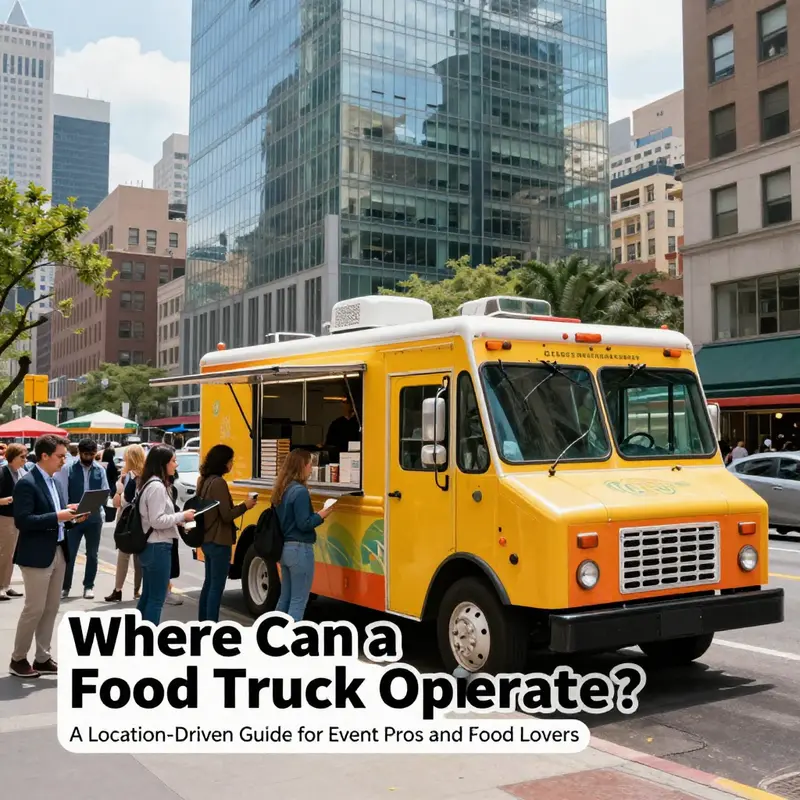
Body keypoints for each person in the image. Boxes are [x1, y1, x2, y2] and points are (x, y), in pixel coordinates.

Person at [9, 435, 88, 678]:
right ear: (44, 456)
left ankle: (42, 657)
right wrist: (58, 516)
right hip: (36, 554)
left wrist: (72, 518)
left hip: (58, 549)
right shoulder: (27, 483)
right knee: (34, 608)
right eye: (60, 456)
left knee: (52, 607)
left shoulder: (54, 482)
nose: (64, 461)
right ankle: (18, 659)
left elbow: (58, 517)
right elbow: (23, 520)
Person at [273, 449, 335, 621]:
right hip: (300, 550)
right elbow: (304, 523)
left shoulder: (282, 489)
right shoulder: (299, 491)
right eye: (310, 464)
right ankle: (291, 641)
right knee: (299, 601)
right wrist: (322, 514)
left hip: (285, 549)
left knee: (285, 597)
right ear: (302, 466)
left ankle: (273, 633)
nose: (311, 469)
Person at [196, 444, 256, 622]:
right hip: (219, 540)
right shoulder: (219, 483)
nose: (232, 464)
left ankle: (203, 623)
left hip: (206, 539)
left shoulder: (205, 481)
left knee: (209, 583)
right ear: (223, 462)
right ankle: (211, 626)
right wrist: (246, 505)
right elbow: (226, 515)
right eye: (231, 460)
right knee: (216, 587)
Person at [136, 445, 195, 625]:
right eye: (173, 461)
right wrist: (182, 515)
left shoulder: (150, 483)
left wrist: (177, 520)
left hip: (152, 546)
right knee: (156, 599)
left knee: (148, 596)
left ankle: (136, 635)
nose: (176, 465)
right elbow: (156, 520)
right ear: (162, 464)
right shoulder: (157, 486)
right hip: (158, 547)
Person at [58, 438, 110, 600]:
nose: (89, 458)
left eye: (92, 455)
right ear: (79, 453)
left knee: (92, 554)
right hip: (73, 517)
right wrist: (68, 508)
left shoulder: (99, 470)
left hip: (94, 517)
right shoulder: (68, 469)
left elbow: (105, 491)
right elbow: (63, 493)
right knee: (70, 554)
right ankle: (65, 587)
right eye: (86, 454)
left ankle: (89, 586)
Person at [105, 444, 145, 602]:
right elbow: (119, 501)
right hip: (134, 520)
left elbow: (122, 501)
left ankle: (123, 590)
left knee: (127, 556)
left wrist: (119, 493)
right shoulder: (139, 476)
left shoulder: (131, 477)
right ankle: (132, 590)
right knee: (134, 557)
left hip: (129, 520)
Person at [0, 443, 28, 601]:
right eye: (22, 457)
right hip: (5, 518)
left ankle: (6, 584)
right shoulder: (3, 472)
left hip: (17, 518)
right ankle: (1, 586)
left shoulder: (21, 472)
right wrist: (3, 500)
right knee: (5, 554)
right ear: (12, 457)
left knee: (12, 555)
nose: (25, 460)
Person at [323, 397, 360, 462]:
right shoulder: (336, 424)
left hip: (356, 459)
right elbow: (330, 444)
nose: (345, 406)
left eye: (347, 403)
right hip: (338, 460)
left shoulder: (359, 423)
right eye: (344, 403)